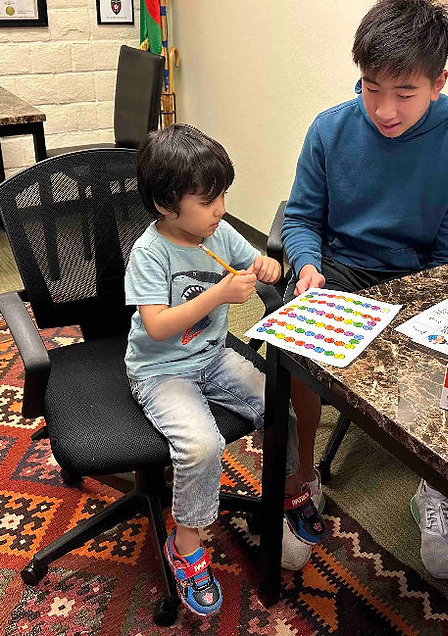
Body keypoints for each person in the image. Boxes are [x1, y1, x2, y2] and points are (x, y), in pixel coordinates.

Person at [281, 0, 448, 577]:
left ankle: (434, 488)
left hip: (421, 281)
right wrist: (307, 267)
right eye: (371, 88)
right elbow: (301, 219)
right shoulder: (330, 129)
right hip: (341, 267)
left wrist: (409, 313)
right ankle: (303, 478)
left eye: (405, 93)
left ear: (438, 82)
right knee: (294, 346)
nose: (384, 110)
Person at [125, 124, 325, 617]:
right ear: (166, 205)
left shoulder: (216, 230)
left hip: (212, 356)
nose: (219, 209)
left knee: (277, 402)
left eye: (223, 197)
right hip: (161, 370)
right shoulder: (149, 253)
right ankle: (185, 542)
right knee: (201, 445)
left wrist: (266, 267)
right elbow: (156, 327)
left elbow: (252, 261)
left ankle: (288, 489)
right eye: (207, 200)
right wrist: (218, 294)